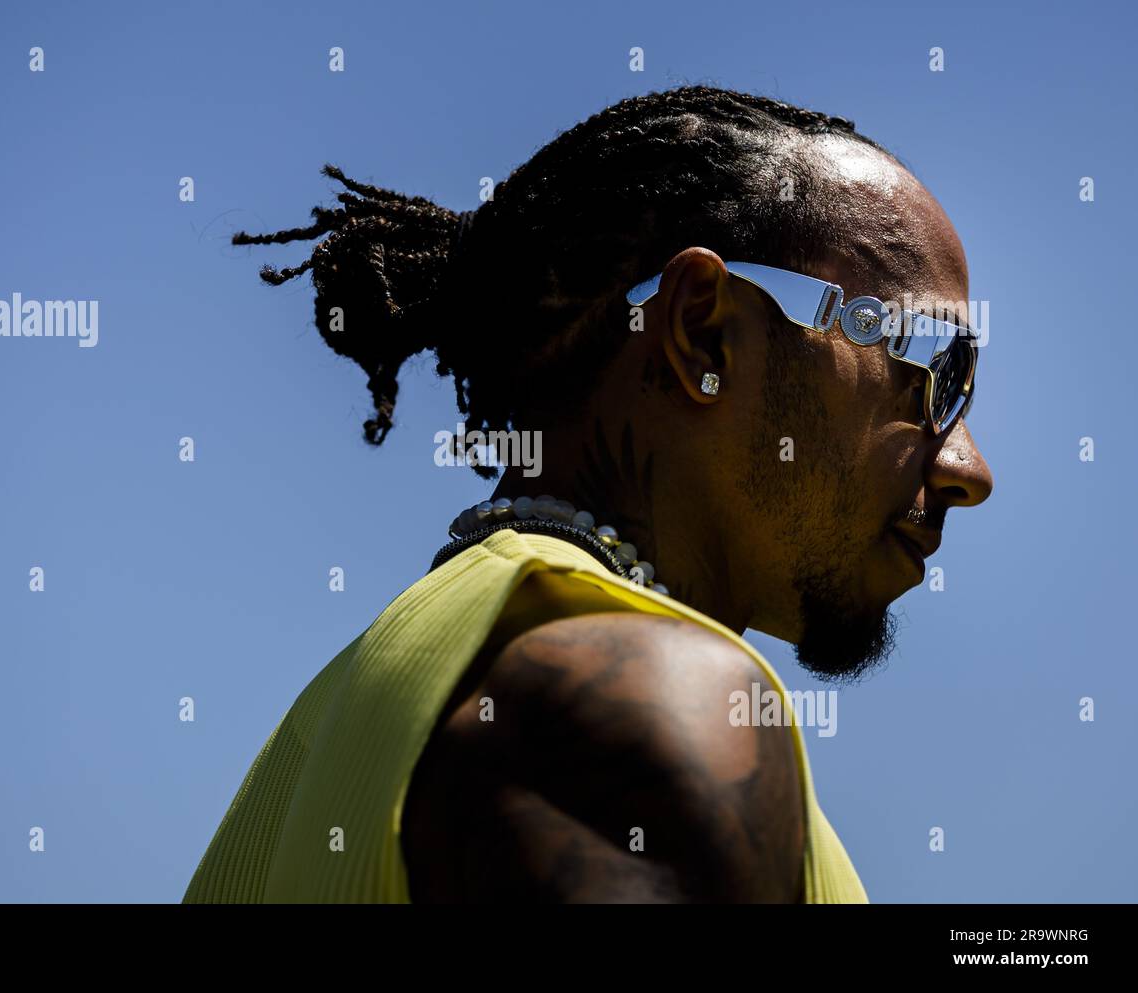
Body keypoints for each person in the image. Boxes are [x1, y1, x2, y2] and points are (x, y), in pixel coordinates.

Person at [182, 84, 993, 903]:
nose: (967, 468)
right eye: (926, 364)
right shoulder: (647, 713)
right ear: (700, 333)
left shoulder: (329, 724)